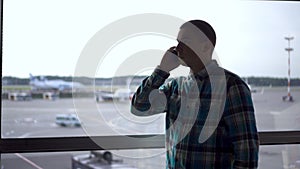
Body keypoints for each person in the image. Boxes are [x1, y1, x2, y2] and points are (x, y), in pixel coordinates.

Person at [131, 20, 259, 169]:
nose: (177, 48)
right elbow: (138, 107)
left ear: (205, 46)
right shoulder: (175, 87)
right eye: (177, 42)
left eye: (185, 41)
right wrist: (161, 70)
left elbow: (247, 152)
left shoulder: (232, 87)